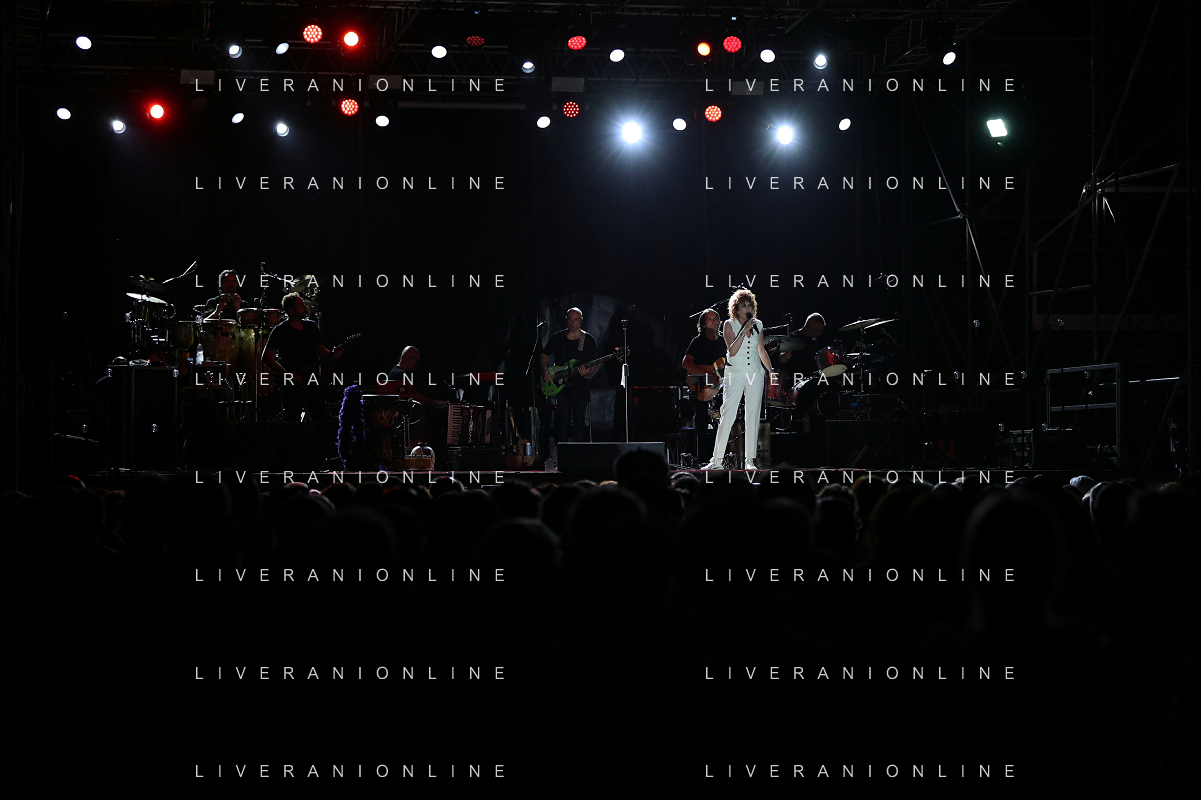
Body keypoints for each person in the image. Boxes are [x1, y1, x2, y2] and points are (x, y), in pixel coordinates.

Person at [703, 289, 773, 470]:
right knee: (728, 413)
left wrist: (771, 370)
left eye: (749, 305)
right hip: (735, 373)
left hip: (755, 373)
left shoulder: (758, 324)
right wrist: (744, 331)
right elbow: (732, 351)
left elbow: (761, 350)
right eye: (743, 306)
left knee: (753, 414)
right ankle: (716, 460)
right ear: (736, 308)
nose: (747, 308)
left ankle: (750, 460)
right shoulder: (729, 324)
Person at [263, 292, 342, 420]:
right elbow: (266, 357)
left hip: (312, 380)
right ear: (291, 311)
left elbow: (322, 350)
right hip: (292, 383)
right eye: (301, 305)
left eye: (304, 304)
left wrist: (333, 355)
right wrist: (287, 375)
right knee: (292, 419)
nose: (305, 306)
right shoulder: (280, 330)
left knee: (321, 417)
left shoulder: (311, 326)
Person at [541, 307, 597, 445]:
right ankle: (562, 451)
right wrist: (545, 370)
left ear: (581, 320)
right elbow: (544, 355)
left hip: (580, 385)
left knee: (579, 420)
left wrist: (587, 373)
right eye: (570, 319)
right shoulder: (557, 338)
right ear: (566, 320)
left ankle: (577, 452)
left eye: (576, 319)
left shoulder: (588, 340)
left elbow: (593, 364)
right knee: (563, 419)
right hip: (561, 385)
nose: (573, 323)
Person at [681, 309, 726, 463]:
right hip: (700, 384)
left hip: (720, 387)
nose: (713, 321)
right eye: (709, 319)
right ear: (703, 324)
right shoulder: (698, 341)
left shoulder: (723, 341)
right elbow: (686, 363)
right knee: (701, 422)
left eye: (715, 318)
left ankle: (721, 457)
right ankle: (701, 459)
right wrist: (709, 372)